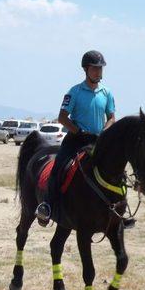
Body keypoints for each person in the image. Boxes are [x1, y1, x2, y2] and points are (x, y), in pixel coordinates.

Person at [35, 50, 116, 227]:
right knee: (58, 168)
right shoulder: (74, 91)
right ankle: (46, 206)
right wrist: (77, 131)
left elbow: (111, 117)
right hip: (75, 140)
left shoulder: (107, 93)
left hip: (97, 140)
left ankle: (119, 211)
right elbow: (62, 117)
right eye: (95, 68)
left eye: (100, 69)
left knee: (116, 170)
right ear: (86, 70)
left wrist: (104, 133)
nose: (98, 72)